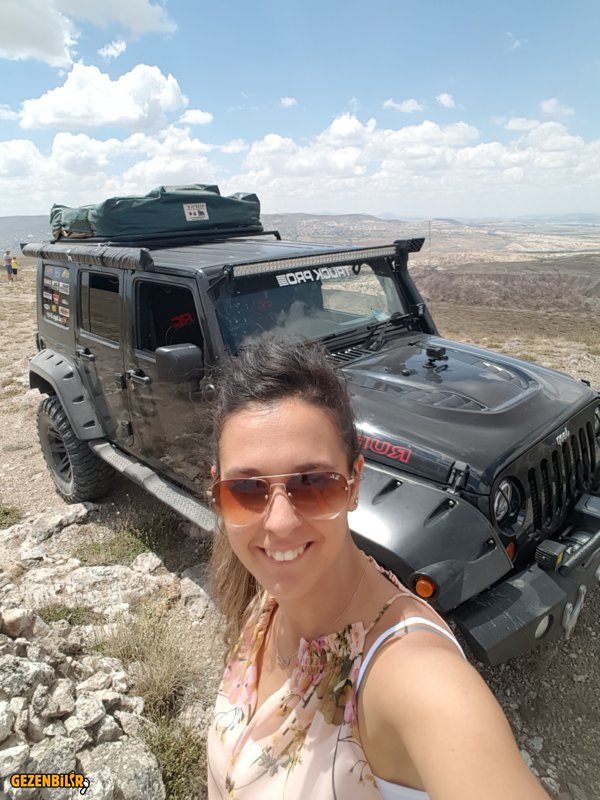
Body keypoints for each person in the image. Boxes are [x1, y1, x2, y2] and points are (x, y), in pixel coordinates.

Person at [206, 338, 549, 800]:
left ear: (354, 484)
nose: (280, 522)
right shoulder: (266, 602)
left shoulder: (410, 675)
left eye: (313, 483)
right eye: (246, 490)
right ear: (218, 492)